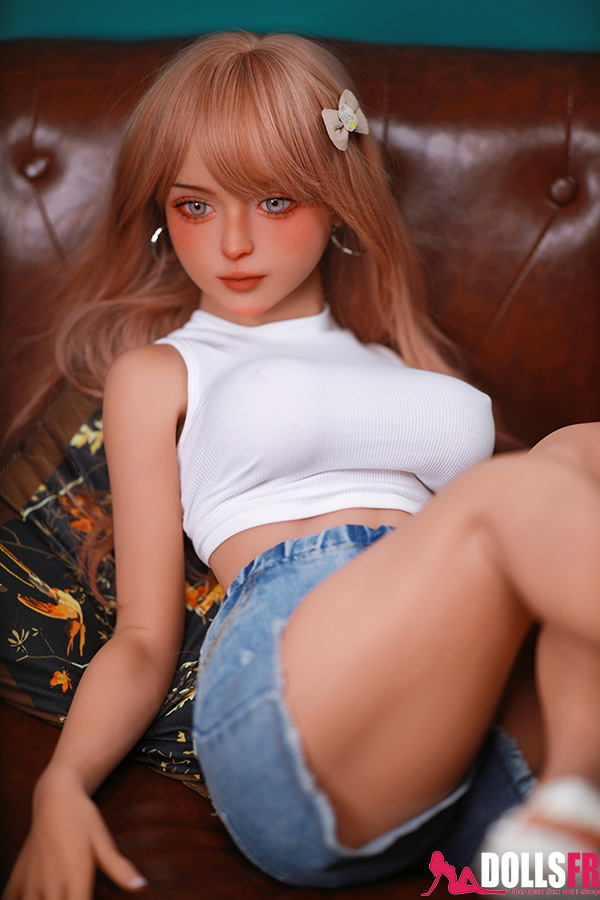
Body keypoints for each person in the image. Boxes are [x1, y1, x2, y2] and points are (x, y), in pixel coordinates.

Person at [3, 30, 600, 900]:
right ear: (161, 213)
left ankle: (569, 812)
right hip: (285, 698)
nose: (234, 242)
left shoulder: (399, 363)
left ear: (337, 200)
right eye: (196, 206)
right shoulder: (164, 371)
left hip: (449, 740)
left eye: (275, 201)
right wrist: (61, 785)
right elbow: (143, 639)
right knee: (517, 489)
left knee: (580, 448)